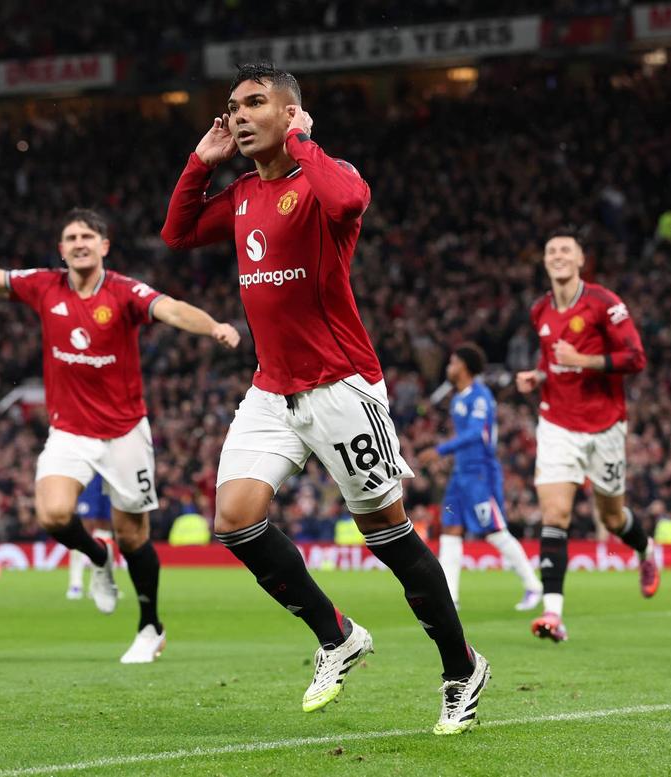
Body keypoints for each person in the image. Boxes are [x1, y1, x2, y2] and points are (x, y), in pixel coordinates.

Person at [161, 63, 487, 735]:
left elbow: (346, 205)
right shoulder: (245, 192)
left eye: (256, 103)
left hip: (340, 386)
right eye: (233, 106)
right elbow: (177, 233)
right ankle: (336, 634)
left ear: (289, 114)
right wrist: (201, 161)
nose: (241, 115)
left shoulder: (324, 176)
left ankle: (461, 667)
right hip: (271, 388)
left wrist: (306, 142)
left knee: (388, 535)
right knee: (235, 519)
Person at [0, 208, 239, 662]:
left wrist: (212, 326)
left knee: (133, 536)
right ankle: (97, 557)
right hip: (70, 430)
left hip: (125, 431)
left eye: (87, 236)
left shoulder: (125, 291)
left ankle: (150, 625)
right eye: (70, 237)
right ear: (61, 249)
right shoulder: (44, 285)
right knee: (53, 515)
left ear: (104, 246)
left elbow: (168, 308)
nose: (79, 243)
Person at [515, 229, 656, 643]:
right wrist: (537, 376)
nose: (558, 256)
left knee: (613, 519)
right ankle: (553, 614)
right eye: (551, 251)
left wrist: (584, 360)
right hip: (557, 422)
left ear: (579, 260)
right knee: (555, 514)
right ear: (545, 262)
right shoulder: (539, 309)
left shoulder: (605, 304)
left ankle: (647, 552)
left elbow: (636, 358)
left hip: (605, 425)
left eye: (565, 250)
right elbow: (551, 362)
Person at [418, 345, 542, 612]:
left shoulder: (481, 396)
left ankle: (533, 585)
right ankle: (449, 598)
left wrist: (440, 450)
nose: (449, 367)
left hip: (480, 474)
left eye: (452, 362)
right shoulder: (457, 399)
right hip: (460, 474)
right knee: (450, 531)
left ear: (464, 367)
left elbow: (476, 434)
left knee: (494, 531)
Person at [67, 473, 117, 605]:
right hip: (90, 474)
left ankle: (99, 584)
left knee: (105, 527)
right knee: (84, 526)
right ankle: (75, 583)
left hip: (110, 476)